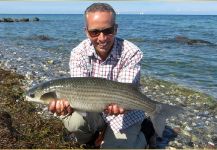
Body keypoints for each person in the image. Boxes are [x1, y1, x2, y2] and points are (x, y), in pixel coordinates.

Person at [48, 2, 155, 148]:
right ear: (86, 31)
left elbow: (126, 92)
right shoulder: (78, 53)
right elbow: (79, 92)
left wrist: (120, 108)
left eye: (108, 31)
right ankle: (94, 137)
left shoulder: (131, 52)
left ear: (115, 29)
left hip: (124, 114)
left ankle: (146, 132)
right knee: (75, 124)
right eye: (95, 32)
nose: (102, 38)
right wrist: (66, 106)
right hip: (93, 110)